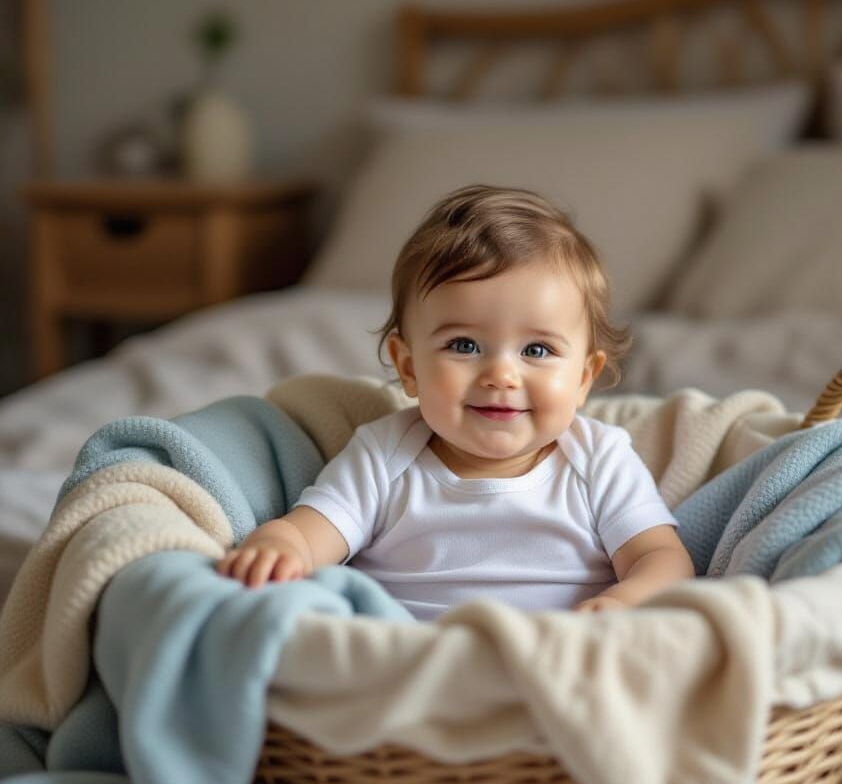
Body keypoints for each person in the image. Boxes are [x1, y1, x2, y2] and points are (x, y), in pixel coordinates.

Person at [218, 185, 694, 618]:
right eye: (464, 345)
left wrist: (622, 601)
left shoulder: (599, 460)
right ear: (408, 368)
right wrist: (276, 548)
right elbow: (307, 533)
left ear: (584, 378)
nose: (501, 375)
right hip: (414, 662)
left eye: (537, 350)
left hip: (560, 657)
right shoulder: (384, 455)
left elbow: (661, 558)